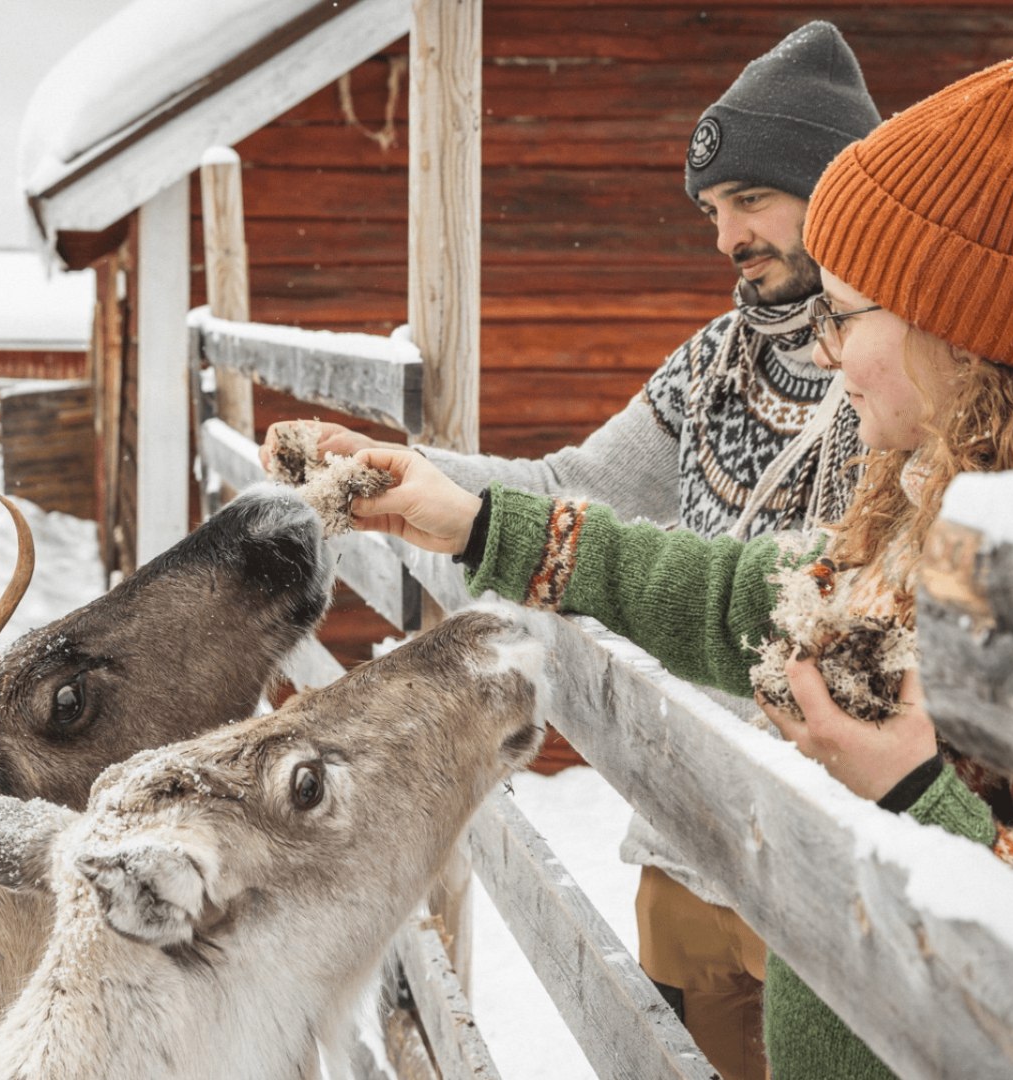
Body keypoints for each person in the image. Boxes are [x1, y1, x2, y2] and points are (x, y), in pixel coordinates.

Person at [347, 58, 1013, 1080]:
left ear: (955, 325)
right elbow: (735, 596)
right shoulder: (915, 518)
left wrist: (915, 794)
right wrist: (476, 521)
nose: (822, 351)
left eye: (845, 315)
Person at [265, 24, 881, 1077]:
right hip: (686, 842)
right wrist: (401, 470)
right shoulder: (714, 361)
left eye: (752, 199)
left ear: (835, 191)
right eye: (713, 210)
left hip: (820, 858)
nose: (728, 237)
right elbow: (573, 486)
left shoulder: (896, 369)